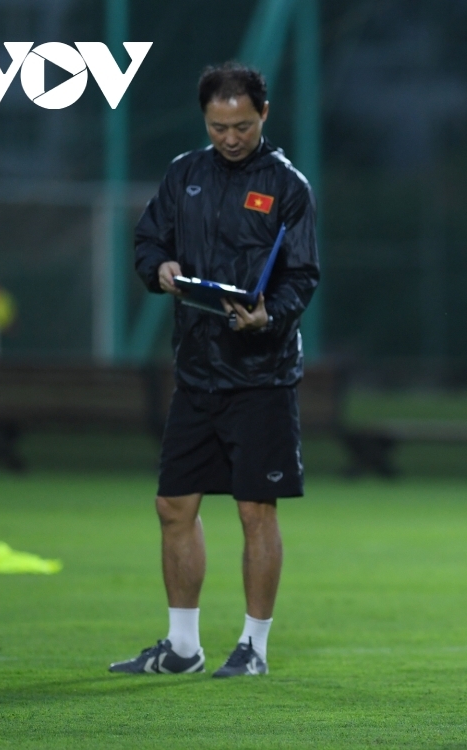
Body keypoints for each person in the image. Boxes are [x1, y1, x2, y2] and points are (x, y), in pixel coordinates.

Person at [109, 62, 319, 678]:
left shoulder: (288, 187)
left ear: (264, 114)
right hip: (197, 371)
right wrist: (161, 269)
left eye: (243, 126)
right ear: (205, 119)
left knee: (255, 510)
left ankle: (254, 648)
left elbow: (303, 275)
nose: (230, 138)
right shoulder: (185, 174)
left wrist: (269, 314)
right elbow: (149, 242)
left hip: (262, 376)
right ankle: (182, 649)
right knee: (173, 505)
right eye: (218, 127)